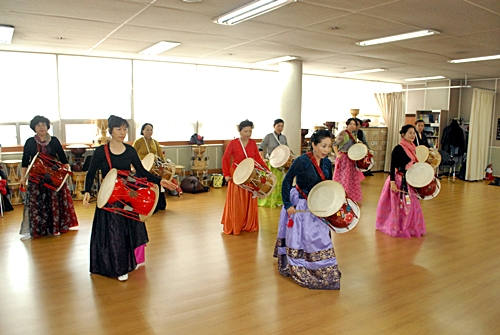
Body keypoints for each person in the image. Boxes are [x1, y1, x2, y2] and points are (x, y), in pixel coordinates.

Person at [83, 115, 176, 281]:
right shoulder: (100, 152)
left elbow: (142, 172)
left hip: (126, 196)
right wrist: (87, 192)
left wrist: (160, 180)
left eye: (125, 129)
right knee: (113, 234)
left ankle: (124, 263)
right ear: (110, 130)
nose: (122, 132)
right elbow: (91, 174)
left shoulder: (130, 150)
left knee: (123, 233)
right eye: (119, 129)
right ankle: (115, 267)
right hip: (109, 198)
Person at [273, 129, 341, 290]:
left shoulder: (326, 162)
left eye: (329, 146)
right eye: (323, 146)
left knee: (320, 237)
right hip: (302, 204)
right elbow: (287, 181)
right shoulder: (301, 161)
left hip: (319, 206)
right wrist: (288, 204)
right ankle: (300, 264)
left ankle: (323, 268)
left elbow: (328, 184)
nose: (326, 150)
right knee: (302, 237)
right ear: (313, 145)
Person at [19, 115, 78, 239]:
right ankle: (40, 229)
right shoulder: (30, 142)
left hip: (53, 176)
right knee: (38, 203)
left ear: (47, 127)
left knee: (54, 201)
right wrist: (22, 177)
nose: (41, 127)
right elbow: (25, 161)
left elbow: (62, 157)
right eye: (38, 125)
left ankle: (56, 227)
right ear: (34, 127)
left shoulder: (54, 140)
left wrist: (67, 169)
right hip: (36, 177)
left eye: (43, 125)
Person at [375, 124, 426, 238]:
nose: (413, 135)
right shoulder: (399, 148)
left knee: (411, 205)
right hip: (398, 179)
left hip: (408, 181)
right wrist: (392, 182)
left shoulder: (413, 148)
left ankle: (409, 226)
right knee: (399, 205)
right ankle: (397, 226)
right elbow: (392, 166)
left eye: (414, 133)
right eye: (410, 133)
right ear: (403, 135)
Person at [221, 119, 270, 235]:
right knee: (237, 200)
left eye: (250, 131)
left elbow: (257, 158)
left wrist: (266, 170)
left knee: (249, 198)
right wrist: (226, 174)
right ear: (240, 131)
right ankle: (236, 224)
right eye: (245, 131)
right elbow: (225, 158)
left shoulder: (253, 143)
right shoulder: (233, 143)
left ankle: (249, 224)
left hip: (250, 173)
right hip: (237, 174)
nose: (248, 134)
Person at [133, 123, 168, 211]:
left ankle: (158, 205)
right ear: (142, 131)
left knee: (156, 185)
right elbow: (132, 155)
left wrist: (164, 164)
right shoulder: (138, 142)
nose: (149, 131)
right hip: (142, 168)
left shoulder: (155, 142)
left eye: (151, 130)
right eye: (147, 130)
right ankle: (147, 205)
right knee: (145, 186)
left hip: (154, 169)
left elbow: (160, 155)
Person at [258, 118, 288, 208]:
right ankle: (269, 200)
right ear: (274, 126)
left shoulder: (284, 138)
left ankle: (278, 200)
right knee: (271, 182)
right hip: (271, 162)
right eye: (278, 126)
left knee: (280, 182)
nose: (280, 128)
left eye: (282, 126)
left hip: (281, 163)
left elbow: (286, 149)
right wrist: (262, 158)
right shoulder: (269, 136)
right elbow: (261, 147)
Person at [332, 118, 365, 202]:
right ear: (347, 125)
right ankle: (342, 196)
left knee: (351, 178)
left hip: (350, 158)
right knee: (343, 177)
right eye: (350, 124)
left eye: (354, 124)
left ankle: (350, 196)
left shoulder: (354, 134)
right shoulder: (343, 133)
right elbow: (334, 144)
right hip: (343, 158)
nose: (352, 126)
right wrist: (337, 154)